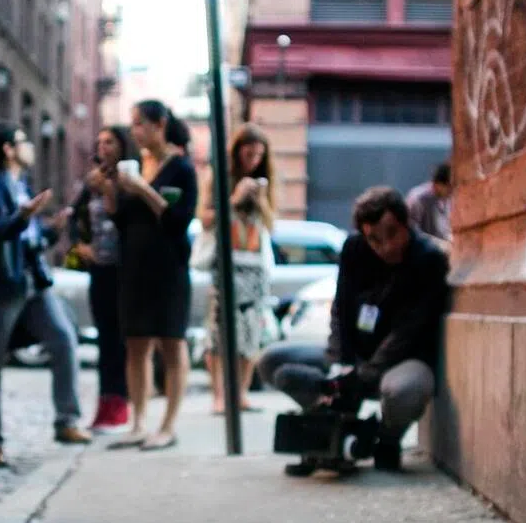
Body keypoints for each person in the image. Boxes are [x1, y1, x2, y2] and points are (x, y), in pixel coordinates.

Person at [258, 185, 449, 474]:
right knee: (272, 360)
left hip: (401, 361)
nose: (385, 246)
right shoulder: (354, 250)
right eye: (374, 239)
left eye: (392, 234)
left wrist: (362, 376)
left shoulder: (428, 259)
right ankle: (331, 428)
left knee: (406, 389)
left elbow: (409, 330)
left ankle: (387, 439)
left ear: (406, 222)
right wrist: (340, 364)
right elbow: (341, 310)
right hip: (356, 359)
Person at [0, 122, 90, 467]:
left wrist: (51, 231)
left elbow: (27, 243)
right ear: (8, 149)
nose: (30, 146)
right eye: (23, 141)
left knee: (64, 340)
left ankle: (67, 421)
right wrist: (22, 217)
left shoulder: (21, 185)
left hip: (31, 283)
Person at [105, 100, 198, 450]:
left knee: (172, 344)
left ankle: (168, 426)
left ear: (160, 124)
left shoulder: (182, 168)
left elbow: (177, 221)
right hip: (133, 267)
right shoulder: (137, 165)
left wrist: (143, 189)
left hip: (169, 268)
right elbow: (122, 221)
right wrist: (110, 192)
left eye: (139, 124)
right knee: (136, 345)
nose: (134, 131)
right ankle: (139, 422)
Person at [199, 123, 275, 414]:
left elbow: (270, 225)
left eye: (258, 156)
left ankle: (241, 394)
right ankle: (219, 396)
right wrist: (234, 199)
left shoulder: (263, 181)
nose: (253, 161)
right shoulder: (219, 178)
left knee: (250, 333)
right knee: (220, 333)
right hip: (226, 266)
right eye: (248, 154)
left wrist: (260, 200)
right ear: (236, 152)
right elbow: (205, 219)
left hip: (253, 266)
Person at [71, 125, 133, 433]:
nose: (103, 146)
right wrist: (81, 248)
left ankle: (122, 405)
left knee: (123, 341)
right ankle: (105, 405)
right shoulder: (92, 181)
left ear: (123, 145)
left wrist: (109, 188)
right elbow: (75, 218)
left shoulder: (128, 177)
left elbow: (124, 216)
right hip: (100, 271)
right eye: (99, 141)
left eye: (109, 141)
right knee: (105, 339)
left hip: (126, 271)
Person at [406, 161, 452, 249]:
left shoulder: (443, 199)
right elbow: (411, 229)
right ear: (438, 184)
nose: (451, 191)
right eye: (449, 186)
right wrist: (438, 242)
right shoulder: (419, 198)